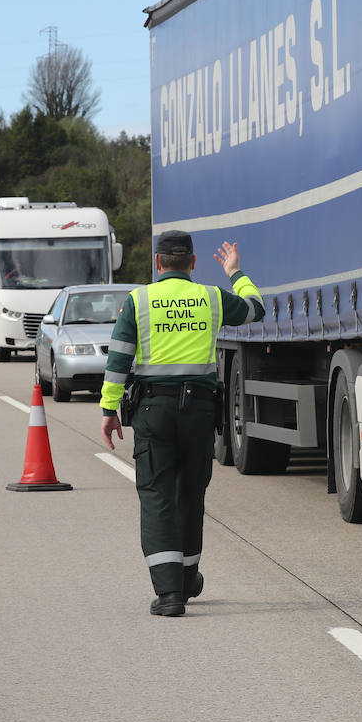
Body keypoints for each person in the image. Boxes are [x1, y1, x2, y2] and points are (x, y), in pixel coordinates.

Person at [100, 230, 266, 617]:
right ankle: (188, 578)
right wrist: (235, 272)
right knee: (191, 494)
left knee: (158, 496)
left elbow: (119, 358)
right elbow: (256, 308)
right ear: (192, 264)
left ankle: (171, 592)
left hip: (153, 411)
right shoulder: (210, 297)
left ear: (157, 263)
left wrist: (109, 411)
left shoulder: (138, 300)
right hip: (199, 411)